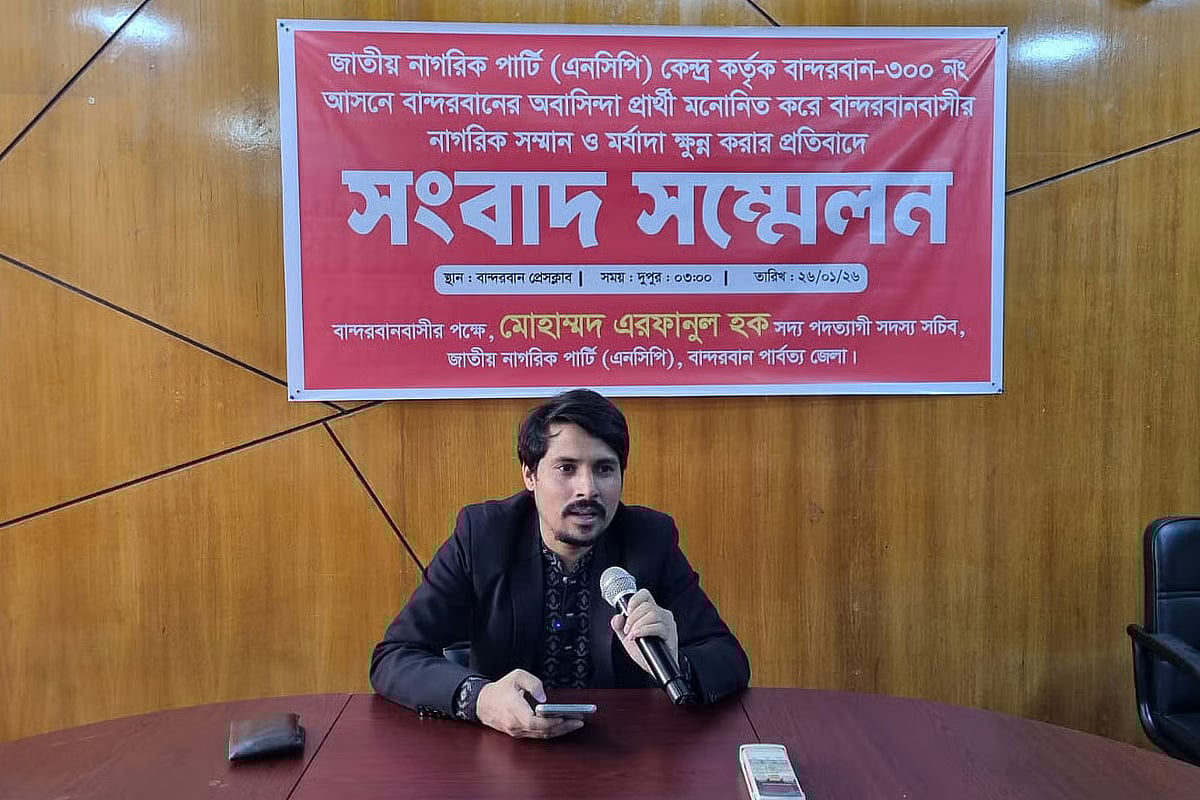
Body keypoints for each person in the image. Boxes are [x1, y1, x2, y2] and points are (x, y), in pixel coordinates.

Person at [370, 388, 750, 738]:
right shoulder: (483, 536)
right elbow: (395, 656)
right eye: (566, 468)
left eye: (604, 469)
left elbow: (728, 659)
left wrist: (675, 661)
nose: (588, 489)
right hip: (502, 750)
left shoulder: (649, 539)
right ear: (530, 475)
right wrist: (481, 699)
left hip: (623, 752)